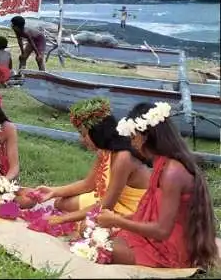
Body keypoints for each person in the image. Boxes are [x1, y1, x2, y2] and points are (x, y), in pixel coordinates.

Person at [94, 101, 218, 269]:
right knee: (95, 237)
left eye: (133, 137)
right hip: (159, 240)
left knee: (97, 248)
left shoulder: (172, 172)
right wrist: (118, 220)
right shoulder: (162, 165)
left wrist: (117, 220)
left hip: (170, 250)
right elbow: (148, 215)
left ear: (144, 136)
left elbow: (161, 230)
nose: (132, 143)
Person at [35, 98, 150, 226]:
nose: (81, 140)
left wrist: (63, 219)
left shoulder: (123, 157)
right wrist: (53, 191)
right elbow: (88, 184)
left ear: (98, 132)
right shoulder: (104, 151)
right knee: (60, 203)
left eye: (84, 135)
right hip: (110, 202)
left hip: (130, 212)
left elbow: (106, 206)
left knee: (87, 226)